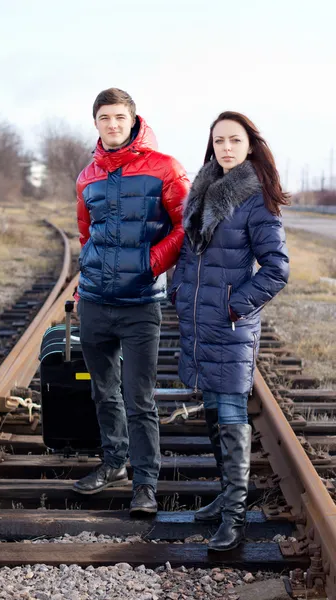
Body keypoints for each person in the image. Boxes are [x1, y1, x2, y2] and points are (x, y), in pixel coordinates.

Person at [170, 111, 289, 550]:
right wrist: (178, 291)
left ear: (249, 145)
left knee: (232, 410)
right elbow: (188, 254)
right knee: (214, 410)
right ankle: (225, 496)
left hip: (231, 323)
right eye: (219, 140)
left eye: (234, 140)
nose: (226, 148)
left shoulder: (255, 198)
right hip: (200, 322)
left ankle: (235, 518)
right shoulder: (202, 190)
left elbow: (277, 270)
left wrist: (235, 305)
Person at [73, 88, 190, 515]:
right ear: (96, 123)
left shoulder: (165, 168)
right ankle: (113, 463)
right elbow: (88, 236)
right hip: (95, 303)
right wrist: (83, 282)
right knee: (104, 393)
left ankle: (145, 483)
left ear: (133, 120)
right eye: (105, 118)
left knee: (139, 399)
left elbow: (186, 224)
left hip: (141, 303)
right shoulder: (87, 177)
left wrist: (152, 262)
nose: (113, 125)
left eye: (119, 117)